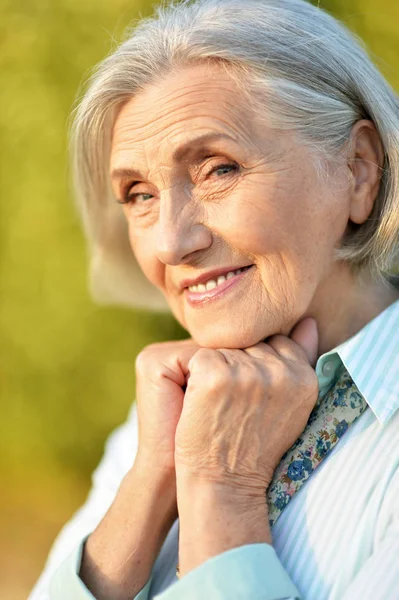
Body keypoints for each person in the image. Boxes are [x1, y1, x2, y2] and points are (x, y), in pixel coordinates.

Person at [29, 0, 399, 598]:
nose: (172, 242)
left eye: (218, 169)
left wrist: (221, 491)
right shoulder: (160, 417)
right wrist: (154, 479)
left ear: (357, 171)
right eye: (139, 194)